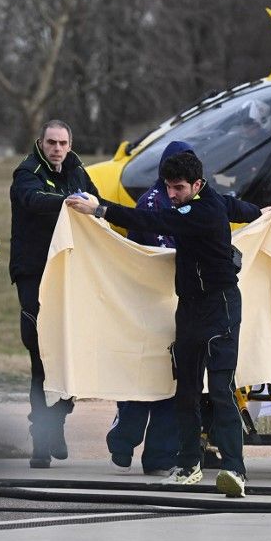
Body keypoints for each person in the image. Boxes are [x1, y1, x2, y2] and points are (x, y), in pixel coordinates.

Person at [65, 150, 261, 498]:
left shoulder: (202, 210)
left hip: (221, 308)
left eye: (179, 188)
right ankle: (188, 466)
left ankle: (235, 469)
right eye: (169, 187)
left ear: (197, 185)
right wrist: (261, 214)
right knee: (185, 391)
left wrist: (100, 209)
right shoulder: (212, 199)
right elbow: (238, 208)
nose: (172, 195)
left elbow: (152, 222)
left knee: (220, 390)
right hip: (189, 309)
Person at [10, 119, 98, 468]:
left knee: (71, 351)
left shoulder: (77, 170)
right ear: (41, 142)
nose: (57, 148)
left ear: (70, 143)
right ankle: (41, 437)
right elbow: (33, 200)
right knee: (41, 356)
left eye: (63, 143)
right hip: (35, 272)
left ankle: (58, 419)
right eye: (51, 142)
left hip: (70, 271)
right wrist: (73, 201)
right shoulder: (26, 172)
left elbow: (97, 202)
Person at [106, 141, 192, 476]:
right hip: (149, 305)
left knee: (172, 383)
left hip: (178, 307)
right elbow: (161, 255)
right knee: (144, 380)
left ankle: (158, 454)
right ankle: (123, 438)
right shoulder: (152, 203)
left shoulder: (189, 203)